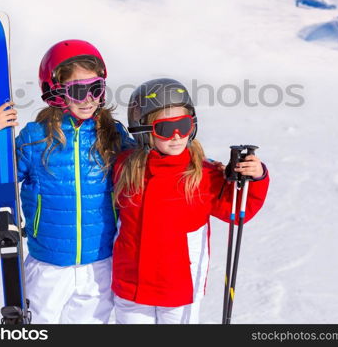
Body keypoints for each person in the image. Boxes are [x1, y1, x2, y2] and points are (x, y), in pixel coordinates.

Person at [0, 40, 134, 324]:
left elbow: (145, 170)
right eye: (78, 90)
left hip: (100, 264)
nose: (88, 99)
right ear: (55, 92)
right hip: (47, 265)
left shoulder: (113, 136)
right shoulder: (36, 138)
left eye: (96, 88)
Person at [111, 78, 270, 324]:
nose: (176, 136)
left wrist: (255, 178)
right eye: (165, 129)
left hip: (179, 289)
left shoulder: (202, 174)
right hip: (132, 286)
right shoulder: (126, 167)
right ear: (142, 130)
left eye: (183, 126)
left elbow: (239, 211)